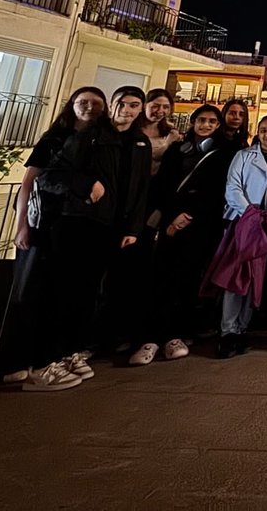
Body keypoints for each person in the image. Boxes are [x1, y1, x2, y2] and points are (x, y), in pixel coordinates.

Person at [2, 87, 123, 391]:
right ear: (71, 105)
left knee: (68, 293)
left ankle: (52, 357)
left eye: (96, 103)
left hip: (73, 226)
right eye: (83, 102)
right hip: (47, 225)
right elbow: (31, 183)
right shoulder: (56, 138)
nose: (89, 107)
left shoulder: (100, 140)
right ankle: (31, 364)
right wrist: (22, 226)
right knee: (37, 293)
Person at [133, 104, 239, 366]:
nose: (205, 125)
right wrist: (170, 217)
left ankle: (175, 335)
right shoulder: (176, 151)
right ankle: (151, 338)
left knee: (188, 278)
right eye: (201, 120)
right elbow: (162, 186)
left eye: (211, 121)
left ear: (217, 126)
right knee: (160, 277)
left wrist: (188, 215)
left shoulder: (223, 154)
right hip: (169, 223)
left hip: (200, 225)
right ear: (193, 122)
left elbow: (218, 191)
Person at [215, 115, 267, 357]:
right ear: (258, 132)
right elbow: (232, 186)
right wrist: (250, 213)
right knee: (236, 277)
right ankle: (228, 331)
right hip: (242, 221)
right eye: (264, 130)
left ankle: (242, 328)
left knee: (256, 277)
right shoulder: (244, 156)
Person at [96, 86, 154, 354]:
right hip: (95, 221)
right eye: (123, 104)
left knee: (120, 284)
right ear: (112, 105)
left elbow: (143, 187)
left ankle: (112, 338)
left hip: (126, 224)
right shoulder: (94, 137)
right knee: (91, 283)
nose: (128, 110)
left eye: (134, 105)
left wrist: (134, 227)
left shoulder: (140, 142)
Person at [143, 89, 182, 176]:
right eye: (155, 106)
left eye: (165, 107)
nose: (160, 111)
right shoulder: (133, 129)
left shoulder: (171, 131)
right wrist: (167, 144)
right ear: (144, 105)